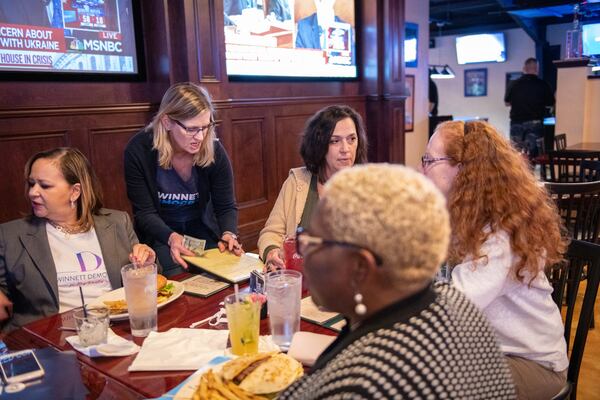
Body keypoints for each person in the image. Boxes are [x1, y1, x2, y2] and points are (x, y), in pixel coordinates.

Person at [279, 164, 516, 399]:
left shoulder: (358, 387)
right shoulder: (453, 300)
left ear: (361, 267)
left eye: (314, 242)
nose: (303, 255)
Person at [421, 120, 568, 399]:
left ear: (462, 169)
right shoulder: (459, 218)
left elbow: (449, 307)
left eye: (429, 160)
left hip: (532, 364)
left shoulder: (500, 236)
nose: (421, 169)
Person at [0, 147, 155, 332]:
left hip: (117, 330)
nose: (33, 192)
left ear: (75, 191)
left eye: (44, 185)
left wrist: (147, 264)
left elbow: (146, 285)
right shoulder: (10, 235)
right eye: (31, 183)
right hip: (48, 339)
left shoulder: (117, 222)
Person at [124, 82, 241, 277]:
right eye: (192, 129)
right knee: (177, 280)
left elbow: (226, 205)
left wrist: (229, 233)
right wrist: (171, 238)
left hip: (202, 229)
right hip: (161, 234)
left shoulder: (214, 150)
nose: (200, 137)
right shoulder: (139, 150)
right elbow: (144, 213)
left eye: (206, 127)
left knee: (223, 277)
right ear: (167, 122)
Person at [257, 105, 368, 271]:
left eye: (352, 139)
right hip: (298, 284)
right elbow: (270, 233)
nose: (346, 149)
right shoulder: (297, 182)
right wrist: (272, 252)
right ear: (320, 145)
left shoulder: (368, 189)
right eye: (335, 141)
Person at [504, 58, 554, 158]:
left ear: (524, 68)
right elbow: (550, 103)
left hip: (516, 122)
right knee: (532, 155)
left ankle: (517, 173)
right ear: (537, 68)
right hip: (534, 123)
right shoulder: (543, 85)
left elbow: (507, 102)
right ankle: (529, 172)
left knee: (516, 155)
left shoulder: (513, 84)